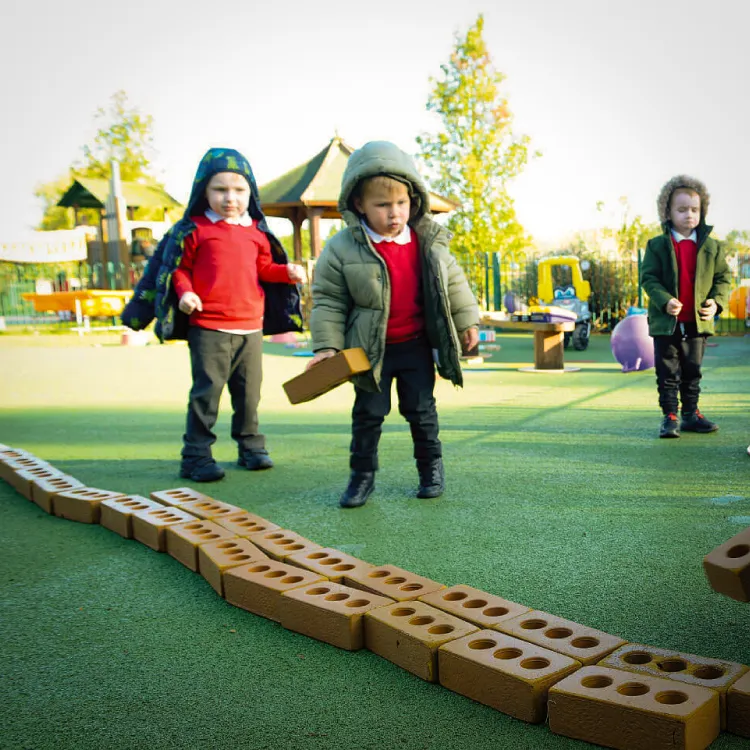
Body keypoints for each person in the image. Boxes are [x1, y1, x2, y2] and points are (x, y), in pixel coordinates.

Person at [307, 141, 479, 508]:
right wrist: (326, 347)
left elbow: (454, 284)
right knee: (368, 415)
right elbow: (329, 301)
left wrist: (467, 322)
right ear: (358, 205)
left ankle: (431, 469)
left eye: (401, 203)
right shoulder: (341, 248)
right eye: (382, 205)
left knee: (421, 410)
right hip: (369, 350)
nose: (394, 213)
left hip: (415, 345)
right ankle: (361, 478)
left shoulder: (427, 242)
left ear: (414, 200)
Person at [122, 148, 305, 481]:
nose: (230, 198)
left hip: (250, 328)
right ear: (203, 192)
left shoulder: (256, 232)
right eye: (220, 190)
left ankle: (251, 447)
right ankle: (195, 456)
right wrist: (185, 293)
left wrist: (287, 272)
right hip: (209, 327)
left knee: (249, 393)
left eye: (239, 190)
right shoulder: (194, 230)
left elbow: (264, 268)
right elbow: (179, 269)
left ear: (251, 194)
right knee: (207, 392)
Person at [641, 175, 730, 439]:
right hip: (665, 323)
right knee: (667, 371)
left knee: (692, 370)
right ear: (667, 212)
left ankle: (691, 413)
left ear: (702, 212)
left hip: (696, 322)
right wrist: (665, 300)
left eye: (694, 209)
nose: (689, 215)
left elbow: (723, 278)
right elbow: (649, 278)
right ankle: (670, 416)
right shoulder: (657, 245)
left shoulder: (713, 247)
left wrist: (717, 302)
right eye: (681, 210)